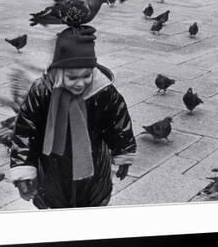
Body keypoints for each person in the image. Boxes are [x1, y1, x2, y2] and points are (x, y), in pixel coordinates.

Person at [10, 26, 137, 208]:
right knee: (56, 208)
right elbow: (26, 130)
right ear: (59, 72)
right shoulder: (42, 92)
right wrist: (23, 169)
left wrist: (123, 152)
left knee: (93, 205)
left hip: (93, 167)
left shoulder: (103, 91)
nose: (80, 83)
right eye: (72, 77)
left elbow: (118, 122)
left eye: (86, 76)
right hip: (52, 169)